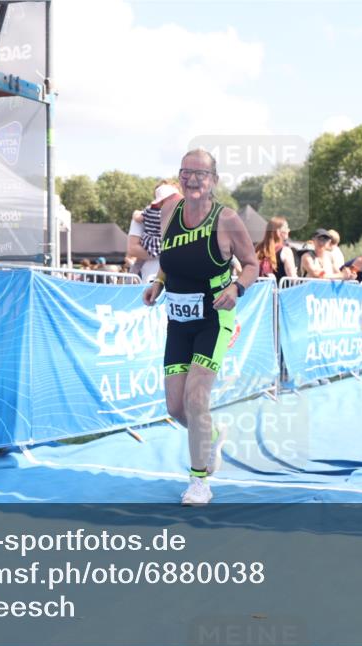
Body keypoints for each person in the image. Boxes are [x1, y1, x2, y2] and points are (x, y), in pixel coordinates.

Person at [142, 148, 258, 505]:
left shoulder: (226, 220)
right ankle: (213, 431)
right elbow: (168, 258)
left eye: (201, 174)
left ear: (214, 181)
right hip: (178, 320)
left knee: (196, 398)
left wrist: (236, 288)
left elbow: (252, 264)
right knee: (176, 408)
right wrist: (158, 282)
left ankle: (199, 482)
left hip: (214, 317)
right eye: (186, 173)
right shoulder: (168, 212)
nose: (193, 179)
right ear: (179, 176)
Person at [129, 181, 181, 282]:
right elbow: (132, 249)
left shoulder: (148, 211)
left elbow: (138, 217)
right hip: (152, 277)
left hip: (149, 243)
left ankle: (130, 279)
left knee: (137, 265)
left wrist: (135, 214)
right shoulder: (174, 215)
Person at [254, 216, 297, 282]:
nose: (288, 230)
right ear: (278, 232)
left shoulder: (258, 248)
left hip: (261, 290)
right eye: (286, 228)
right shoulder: (286, 251)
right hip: (280, 291)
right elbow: (293, 279)